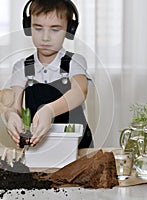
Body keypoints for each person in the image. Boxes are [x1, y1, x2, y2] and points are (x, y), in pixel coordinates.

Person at [5, 0, 93, 148]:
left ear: (69, 30)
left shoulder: (74, 61)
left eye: (55, 29)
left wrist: (49, 110)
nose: (45, 37)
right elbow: (13, 106)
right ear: (28, 27)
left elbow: (80, 92)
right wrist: (11, 115)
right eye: (38, 28)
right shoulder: (21, 67)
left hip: (78, 147)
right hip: (39, 147)